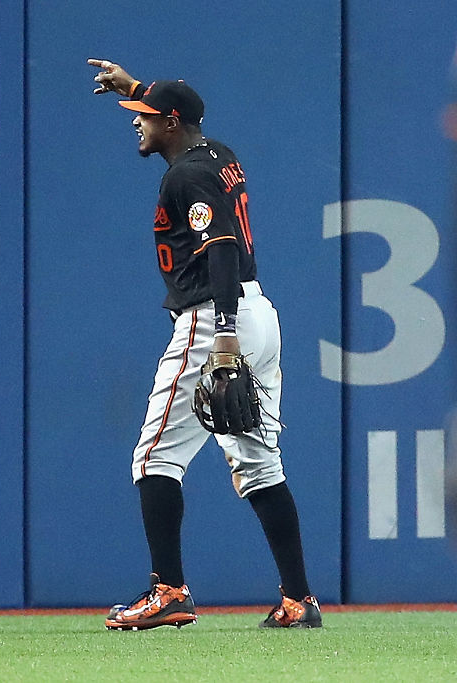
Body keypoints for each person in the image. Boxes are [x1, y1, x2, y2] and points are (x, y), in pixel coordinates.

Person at [87, 59, 322, 630]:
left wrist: (221, 335)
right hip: (259, 312)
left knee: (154, 457)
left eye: (143, 116)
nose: (136, 124)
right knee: (261, 464)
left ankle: (167, 590)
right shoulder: (218, 153)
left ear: (170, 123)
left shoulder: (184, 177)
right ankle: (299, 599)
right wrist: (137, 87)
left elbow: (218, 249)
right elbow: (180, 113)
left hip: (216, 318)